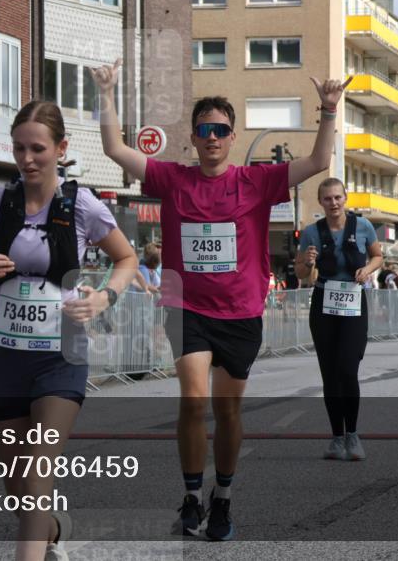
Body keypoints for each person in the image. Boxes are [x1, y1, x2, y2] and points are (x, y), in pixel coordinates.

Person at [94, 56, 350, 541]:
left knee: (228, 410)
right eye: (203, 129)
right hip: (185, 307)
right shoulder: (172, 180)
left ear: (232, 137)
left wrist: (329, 110)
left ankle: (223, 497)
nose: (211, 137)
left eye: (220, 129)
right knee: (193, 401)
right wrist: (106, 93)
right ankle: (192, 495)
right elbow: (114, 149)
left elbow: (318, 163)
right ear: (193, 137)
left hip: (240, 312)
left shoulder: (256, 182)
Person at [0, 100, 137, 561]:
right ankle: (53, 527)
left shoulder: (81, 204)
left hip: (61, 356)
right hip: (2, 354)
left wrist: (103, 297)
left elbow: (126, 259)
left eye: (37, 149)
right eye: (18, 149)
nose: (27, 159)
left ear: (60, 148)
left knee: (37, 475)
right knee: (17, 490)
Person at [295, 179, 382, 461]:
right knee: (329, 374)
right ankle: (336, 438)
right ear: (321, 202)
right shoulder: (311, 232)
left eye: (337, 198)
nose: (333, 203)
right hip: (324, 303)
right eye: (327, 199)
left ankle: (353, 435)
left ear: (345, 198)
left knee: (347, 369)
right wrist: (308, 263)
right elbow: (300, 272)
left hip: (354, 303)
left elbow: (378, 255)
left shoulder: (363, 226)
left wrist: (368, 269)